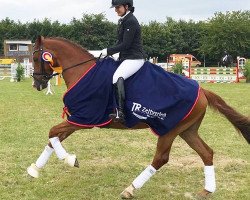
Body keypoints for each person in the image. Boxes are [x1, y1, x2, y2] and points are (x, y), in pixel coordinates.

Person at [101, 0, 146, 123]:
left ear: (127, 7)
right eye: (115, 8)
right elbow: (120, 43)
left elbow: (126, 44)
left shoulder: (130, 21)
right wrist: (109, 53)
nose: (116, 10)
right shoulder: (124, 20)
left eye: (118, 7)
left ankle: (120, 112)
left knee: (117, 77)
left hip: (134, 58)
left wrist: (108, 51)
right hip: (126, 57)